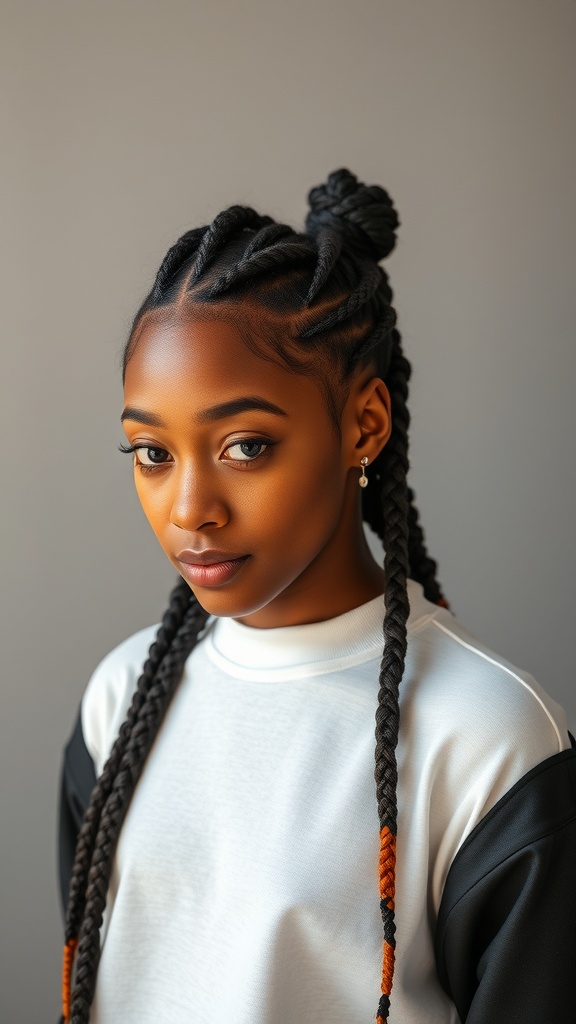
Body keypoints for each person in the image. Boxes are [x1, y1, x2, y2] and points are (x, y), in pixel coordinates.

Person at [57, 169, 576, 1024]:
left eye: (246, 445)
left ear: (363, 426)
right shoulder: (119, 702)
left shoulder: (491, 740)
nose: (190, 509)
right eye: (152, 453)